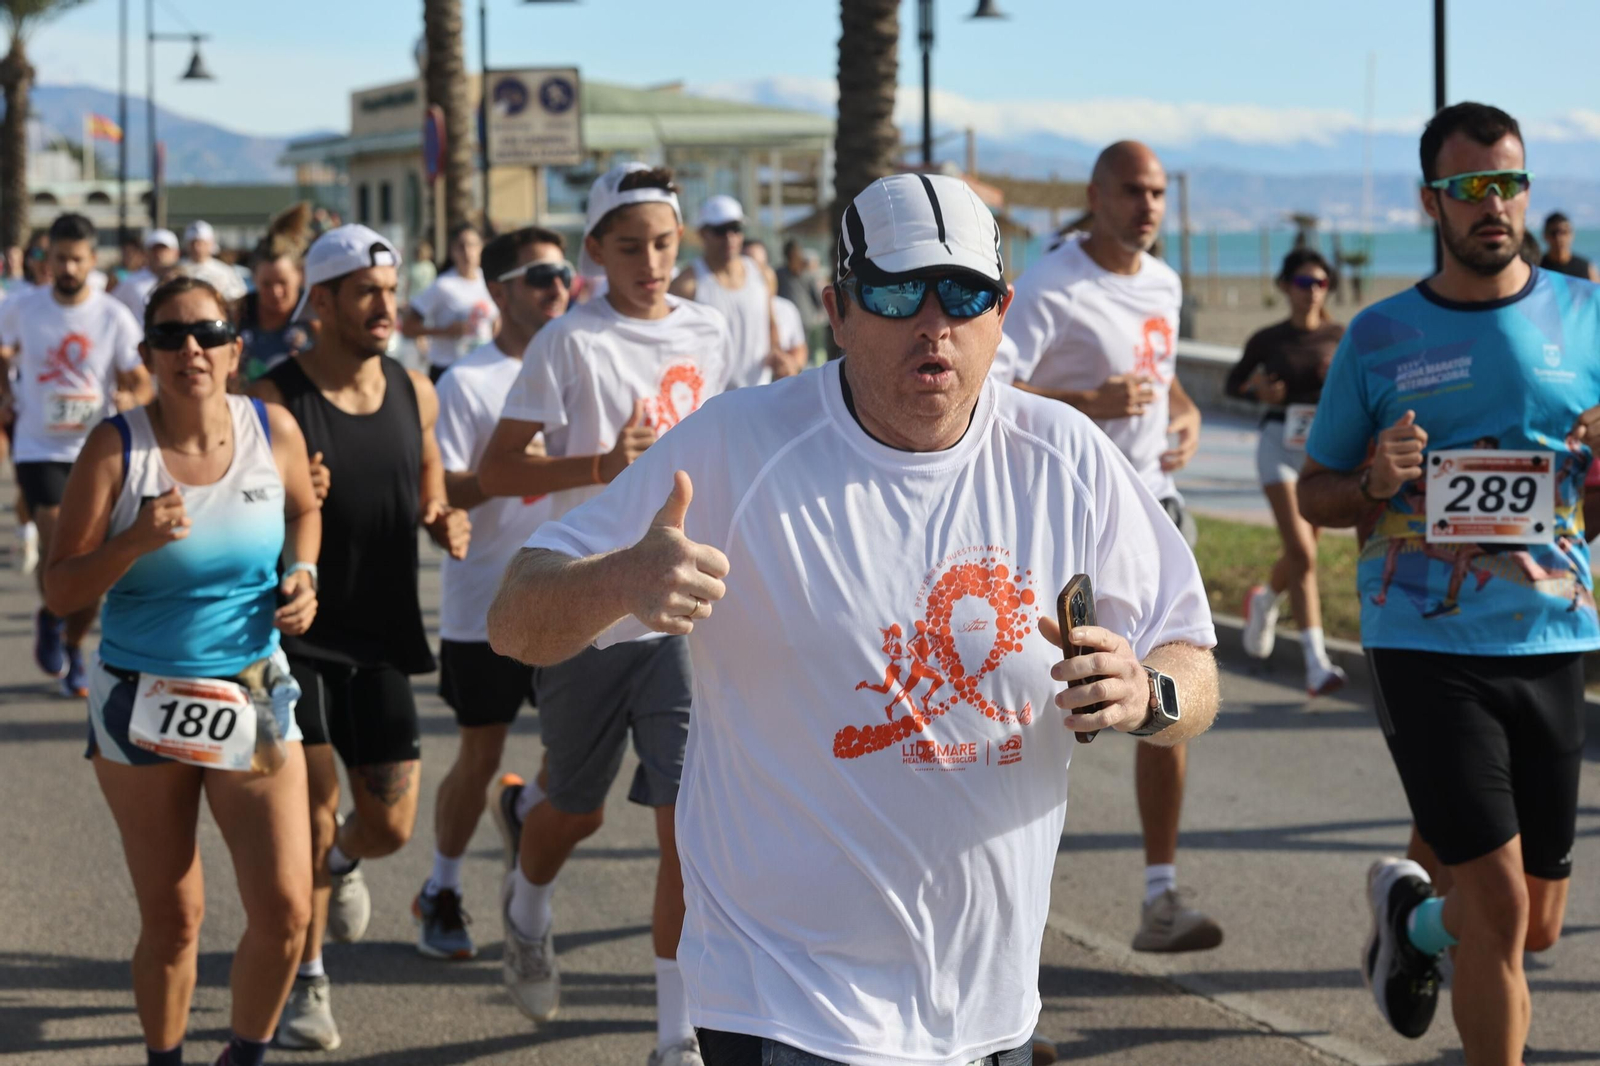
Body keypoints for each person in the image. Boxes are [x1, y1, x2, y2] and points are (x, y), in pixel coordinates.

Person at [487, 171, 1219, 1066]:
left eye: (964, 293)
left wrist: (1152, 694)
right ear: (838, 309)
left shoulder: (1064, 457)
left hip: (987, 1009)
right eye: (897, 291)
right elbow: (516, 612)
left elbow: (1192, 652)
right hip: (781, 998)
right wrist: (621, 580)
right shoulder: (735, 445)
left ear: (1005, 311)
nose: (934, 321)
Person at [1298, 102, 1598, 1066]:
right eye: (1471, 189)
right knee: (1503, 906)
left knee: (1537, 925)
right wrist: (1377, 482)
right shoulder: (1382, 336)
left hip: (1553, 637)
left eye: (1509, 183)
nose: (1494, 205)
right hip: (1423, 640)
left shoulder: (1587, 317)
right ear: (1433, 201)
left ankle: (1412, 924)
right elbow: (1316, 492)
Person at [475, 162, 730, 1065]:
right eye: (630, 248)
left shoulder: (712, 328)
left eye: (664, 243)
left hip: (680, 611)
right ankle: (528, 902)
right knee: (574, 811)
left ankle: (674, 1038)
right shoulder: (567, 342)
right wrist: (595, 467)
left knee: (684, 823)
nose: (652, 263)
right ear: (594, 252)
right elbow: (497, 470)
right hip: (584, 601)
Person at [43, 274, 321, 1066]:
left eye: (206, 334)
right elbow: (61, 589)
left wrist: (304, 576)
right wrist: (131, 542)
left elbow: (304, 508)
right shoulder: (116, 446)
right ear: (147, 354)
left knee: (287, 912)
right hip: (142, 696)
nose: (189, 350)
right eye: (169, 337)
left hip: (254, 688)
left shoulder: (273, 429)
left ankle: (244, 1054)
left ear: (236, 350)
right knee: (174, 921)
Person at [248, 224, 471, 1052]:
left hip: (382, 637)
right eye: (367, 293)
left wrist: (444, 517)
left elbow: (430, 486)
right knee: (308, 813)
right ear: (323, 302)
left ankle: (343, 864)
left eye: (391, 289)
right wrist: (285, 497)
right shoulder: (272, 400)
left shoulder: (418, 390)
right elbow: (233, 507)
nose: (387, 305)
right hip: (295, 636)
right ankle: (309, 981)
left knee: (389, 826)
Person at [998, 141, 1219, 955]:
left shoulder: (1162, 279)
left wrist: (1185, 410)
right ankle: (1006, 952)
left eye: (1159, 191)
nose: (1149, 206)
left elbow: (1159, 373)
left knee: (1168, 695)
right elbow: (985, 386)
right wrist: (1087, 400)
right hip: (1060, 531)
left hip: (1155, 512)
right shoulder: (1053, 285)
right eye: (1133, 191)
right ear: (1095, 195)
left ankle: (1160, 895)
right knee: (1032, 723)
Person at [413, 225, 571, 961]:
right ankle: (442, 889)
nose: (556, 288)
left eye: (564, 273)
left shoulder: (580, 366)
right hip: (486, 599)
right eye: (539, 276)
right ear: (500, 291)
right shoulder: (468, 381)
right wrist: (519, 469)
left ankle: (523, 807)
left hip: (572, 594)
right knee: (479, 752)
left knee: (573, 760)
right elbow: (444, 491)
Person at [0, 213, 151, 697]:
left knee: (91, 563)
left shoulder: (112, 316)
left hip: (95, 449)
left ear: (93, 261)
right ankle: (62, 626)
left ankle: (65, 633)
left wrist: (132, 399)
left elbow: (140, 379)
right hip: (38, 445)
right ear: (49, 259)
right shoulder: (24, 306)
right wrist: (5, 389)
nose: (67, 267)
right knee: (54, 543)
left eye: (77, 259)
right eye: (60, 257)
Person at [1227, 248, 1348, 696]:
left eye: (1320, 283)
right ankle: (1317, 664)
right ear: (1285, 286)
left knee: (1301, 556)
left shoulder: (1341, 336)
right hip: (1278, 446)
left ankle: (1263, 600)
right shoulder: (1268, 339)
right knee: (1303, 552)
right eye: (1302, 283)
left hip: (1323, 453)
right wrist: (1259, 391)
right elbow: (1235, 384)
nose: (1311, 292)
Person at [670, 195, 797, 385]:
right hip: (711, 401)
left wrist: (778, 352)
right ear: (703, 233)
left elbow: (770, 322)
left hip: (759, 394)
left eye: (735, 228)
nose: (730, 237)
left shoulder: (763, 275)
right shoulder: (686, 285)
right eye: (720, 230)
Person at [402, 223, 497, 382]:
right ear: (452, 251)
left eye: (472, 245)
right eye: (461, 246)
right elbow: (408, 327)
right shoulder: (442, 285)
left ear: (481, 248)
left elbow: (495, 321)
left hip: (481, 368)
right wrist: (444, 331)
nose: (467, 252)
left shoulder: (488, 281)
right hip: (448, 369)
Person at [238, 204, 314, 383]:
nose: (275, 292)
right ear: (254, 278)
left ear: (300, 275)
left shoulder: (315, 313)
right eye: (266, 284)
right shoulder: (238, 312)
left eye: (283, 282)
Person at [745, 240, 809, 372]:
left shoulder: (786, 309)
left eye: (761, 267)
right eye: (747, 267)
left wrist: (790, 365)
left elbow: (799, 349)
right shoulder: (720, 311)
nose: (755, 274)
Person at [112, 229, 181, 322]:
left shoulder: (185, 281)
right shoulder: (131, 281)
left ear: (176, 253)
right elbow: (112, 306)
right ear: (147, 253)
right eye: (154, 249)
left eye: (164, 249)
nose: (159, 253)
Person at [180, 221, 247, 303]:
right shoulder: (177, 270)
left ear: (210, 243)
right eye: (193, 243)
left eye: (201, 243)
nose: (197, 247)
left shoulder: (225, 271)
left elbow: (238, 295)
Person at [776, 237, 824, 345]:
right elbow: (816, 296)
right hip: (801, 317)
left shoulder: (780, 273)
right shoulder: (805, 273)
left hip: (793, 318)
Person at [1539, 211, 1599, 281]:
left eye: (1564, 232)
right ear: (1545, 235)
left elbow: (1596, 290)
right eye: (1554, 233)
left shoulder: (1585, 268)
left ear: (1572, 234)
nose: (1559, 238)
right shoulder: (1538, 267)